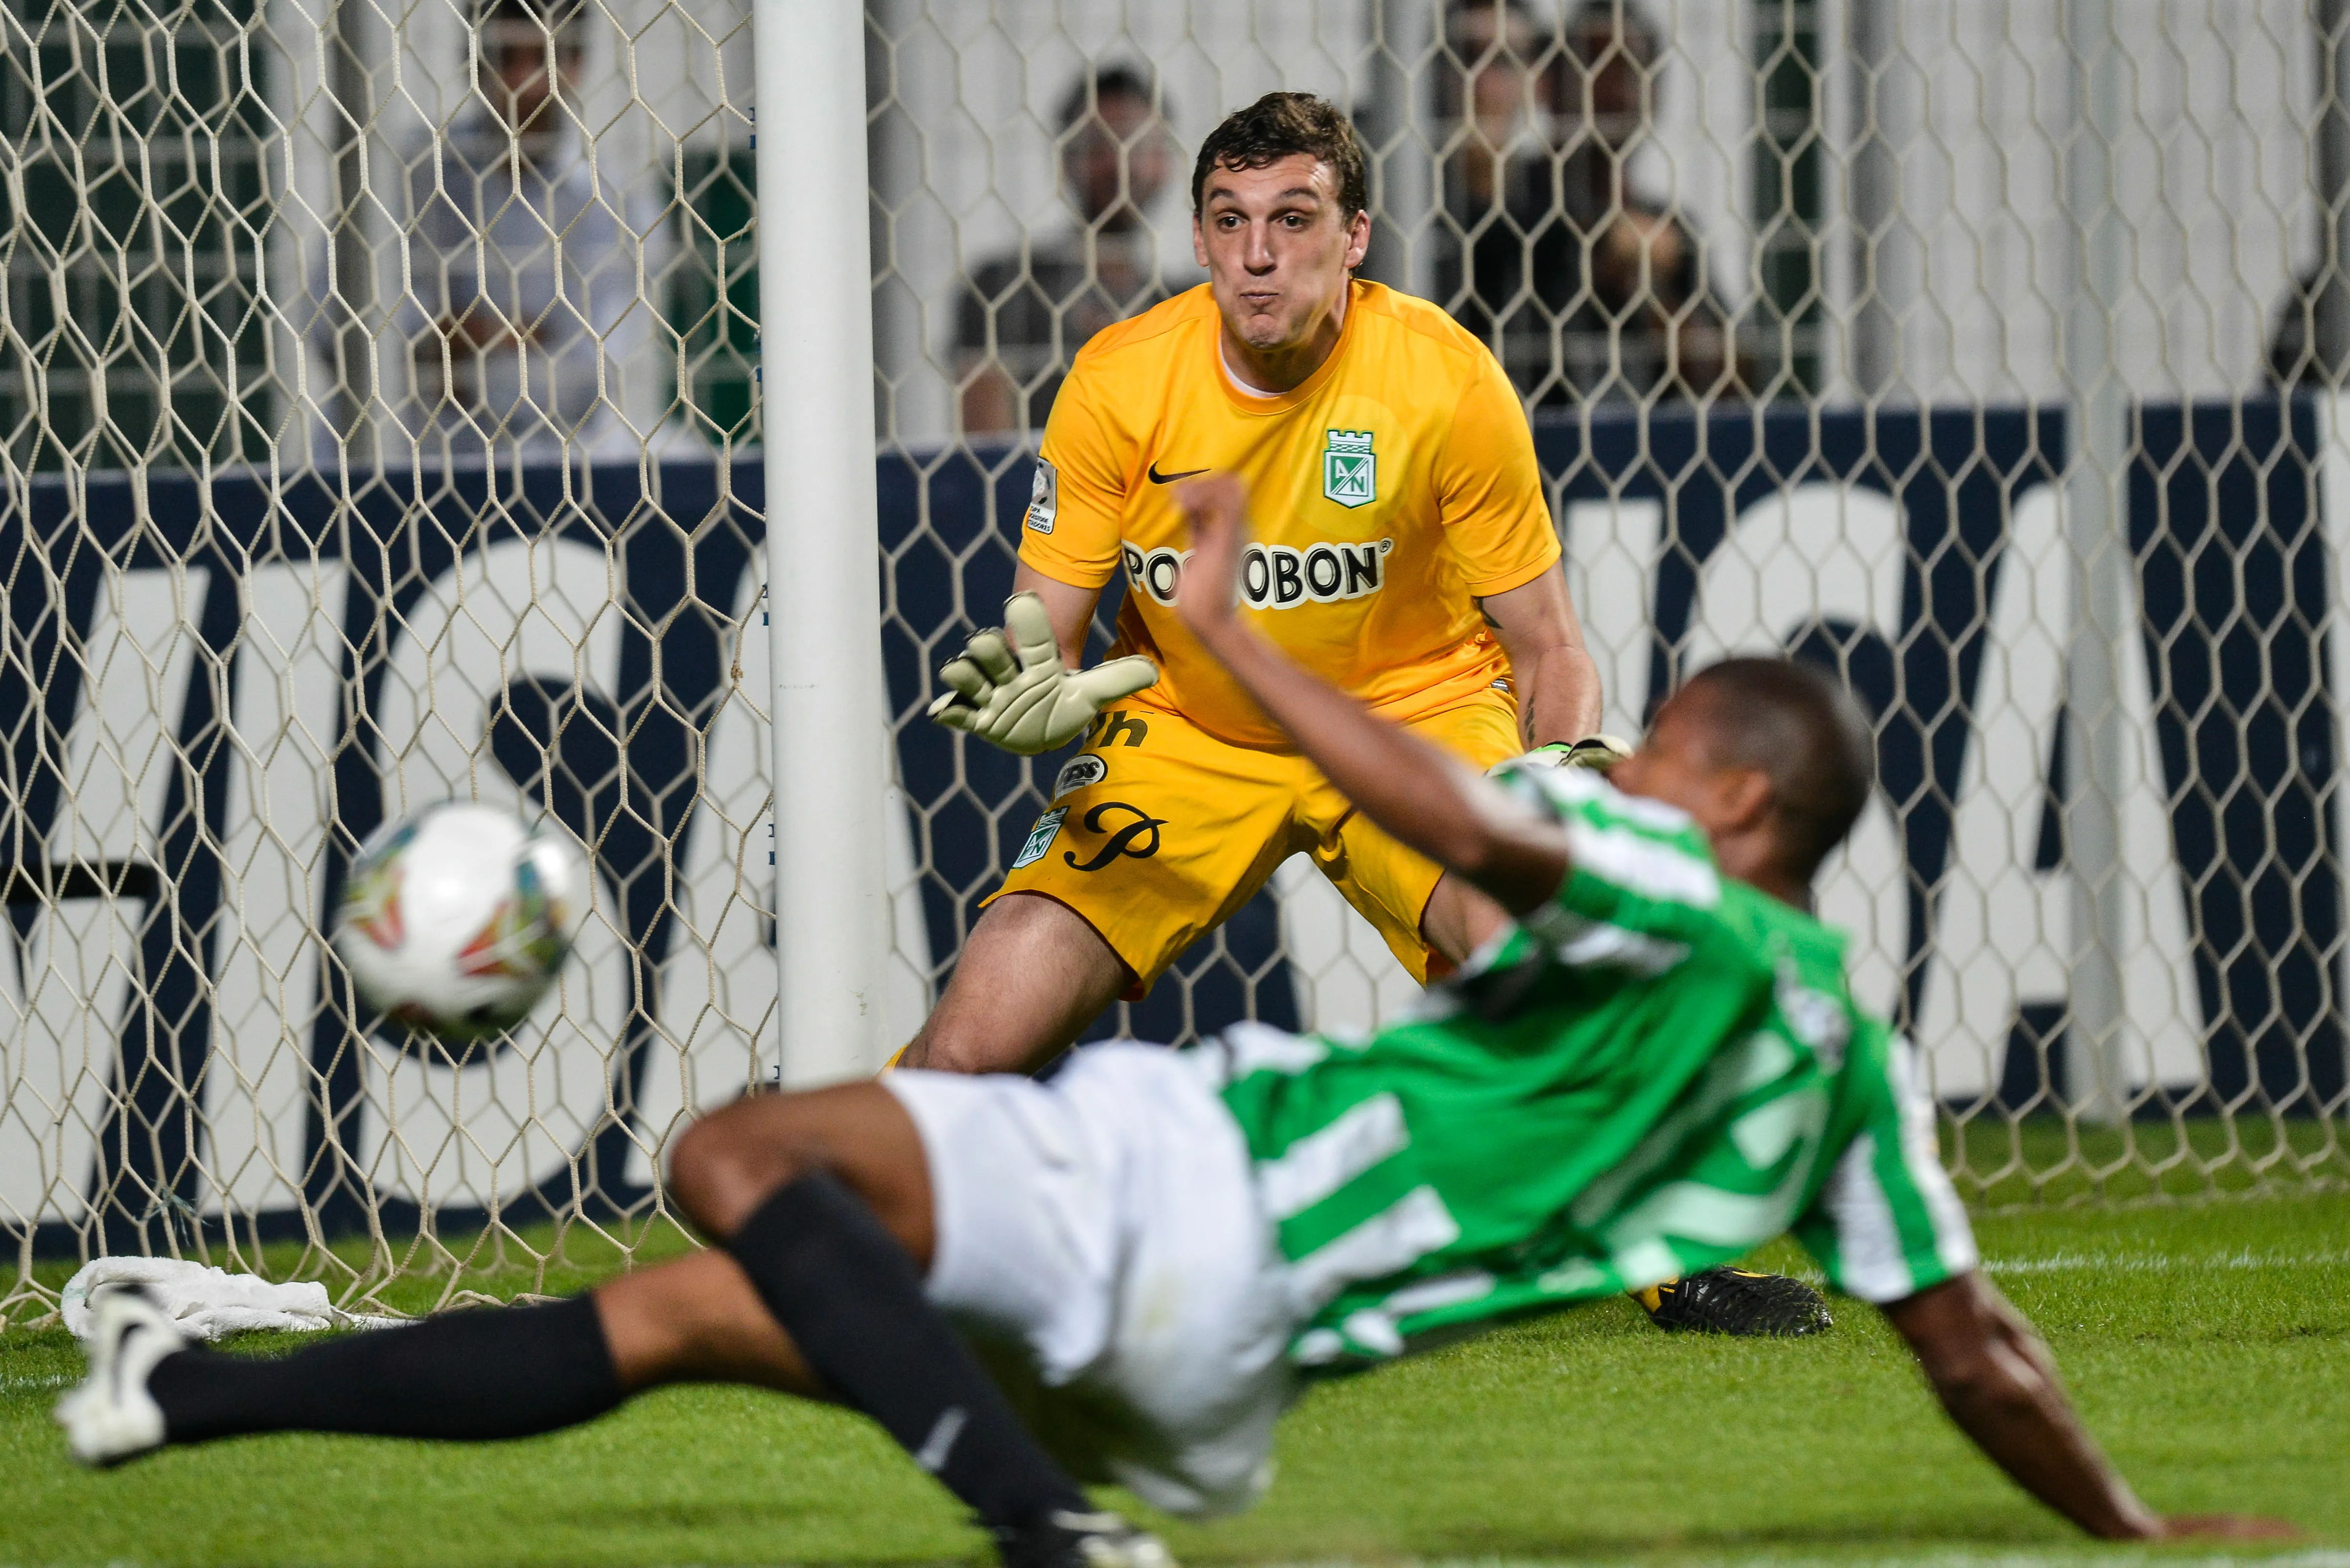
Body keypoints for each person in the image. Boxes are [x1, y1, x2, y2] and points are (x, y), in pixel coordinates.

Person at [56, 475, 2290, 1568]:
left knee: (736, 1155)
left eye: (1673, 732)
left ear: (1738, 791)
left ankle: (1038, 1530)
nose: (1633, 761)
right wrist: (2128, 1523)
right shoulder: (1861, 1073)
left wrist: (1224, 644)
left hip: (1193, 1181)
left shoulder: (1661, 869)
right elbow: (1972, 1341)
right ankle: (191, 1396)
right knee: (676, 1311)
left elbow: (1451, 806)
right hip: (1222, 1389)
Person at [921, 88, 1810, 1336]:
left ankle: (1676, 1260)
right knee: (977, 1038)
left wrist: (1554, 786)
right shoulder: (1123, 382)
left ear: (1355, 238)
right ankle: (839, 1215)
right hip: (1190, 729)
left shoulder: (1444, 381)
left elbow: (1547, 645)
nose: (1258, 253)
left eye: (1294, 218)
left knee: (1536, 935)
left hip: (1411, 713)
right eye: (1228, 221)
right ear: (1199, 235)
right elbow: (1043, 636)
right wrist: (1029, 689)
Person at [382, 0, 669, 463]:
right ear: (473, 66)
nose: (520, 84)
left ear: (574, 66)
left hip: (569, 460)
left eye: (540, 60)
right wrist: (524, 334)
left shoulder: (615, 201)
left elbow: (587, 373)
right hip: (436, 456)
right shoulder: (417, 179)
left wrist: (461, 336)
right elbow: (361, 333)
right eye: (503, 61)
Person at [1435, 0, 1742, 403]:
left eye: (1633, 71)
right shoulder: (1510, 200)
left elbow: (1734, 381)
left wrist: (1653, 296)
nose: (1617, 91)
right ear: (1550, 84)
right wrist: (1603, 239)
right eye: (1595, 69)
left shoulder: (1665, 227)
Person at [955, 66, 1187, 435]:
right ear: (1065, 161)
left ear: (1167, 161)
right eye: (1097, 145)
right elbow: (988, 458)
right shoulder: (1005, 288)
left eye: (1138, 144)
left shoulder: (1195, 301)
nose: (1118, 163)